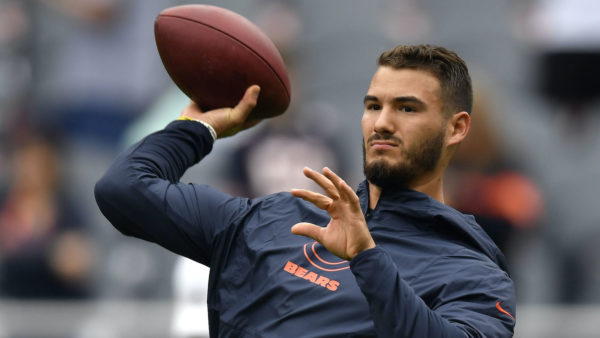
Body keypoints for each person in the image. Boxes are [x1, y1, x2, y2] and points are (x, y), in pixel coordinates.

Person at [95, 44, 516, 337]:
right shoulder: (277, 218)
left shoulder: (471, 274)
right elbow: (124, 189)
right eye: (373, 106)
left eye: (407, 108)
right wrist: (199, 130)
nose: (382, 122)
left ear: (456, 127)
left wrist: (368, 260)